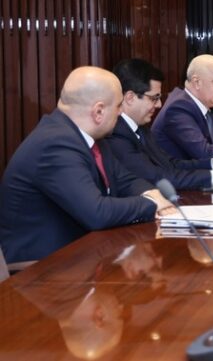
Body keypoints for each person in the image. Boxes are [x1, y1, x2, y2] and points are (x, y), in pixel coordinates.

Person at [0, 67, 174, 264]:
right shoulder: (55, 144)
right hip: (43, 270)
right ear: (98, 111)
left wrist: (152, 193)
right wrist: (151, 204)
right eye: (118, 106)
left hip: (81, 255)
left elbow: (125, 179)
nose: (121, 112)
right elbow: (97, 213)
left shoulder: (91, 137)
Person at [109, 58, 213, 190]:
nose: (159, 105)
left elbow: (171, 164)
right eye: (154, 98)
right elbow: (159, 178)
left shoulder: (140, 128)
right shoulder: (116, 133)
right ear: (130, 98)